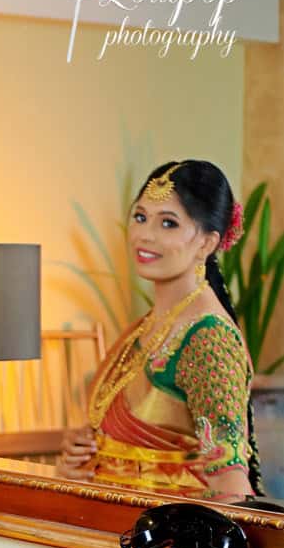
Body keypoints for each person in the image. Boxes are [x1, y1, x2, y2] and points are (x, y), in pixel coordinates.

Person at [58, 159, 261, 498]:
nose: (144, 235)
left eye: (168, 223)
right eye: (140, 217)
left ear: (207, 243)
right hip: (108, 522)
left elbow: (231, 485)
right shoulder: (148, 326)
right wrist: (80, 461)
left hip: (166, 536)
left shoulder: (209, 339)